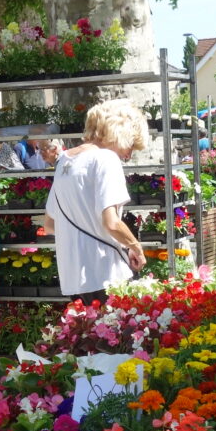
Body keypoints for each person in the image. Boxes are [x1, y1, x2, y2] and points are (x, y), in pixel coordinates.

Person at [43, 99, 147, 303]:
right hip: (106, 271)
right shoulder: (106, 159)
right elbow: (112, 223)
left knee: (87, 333)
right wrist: (136, 247)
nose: (129, 154)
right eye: (131, 145)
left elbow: (49, 224)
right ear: (122, 133)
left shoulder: (64, 161)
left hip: (73, 276)